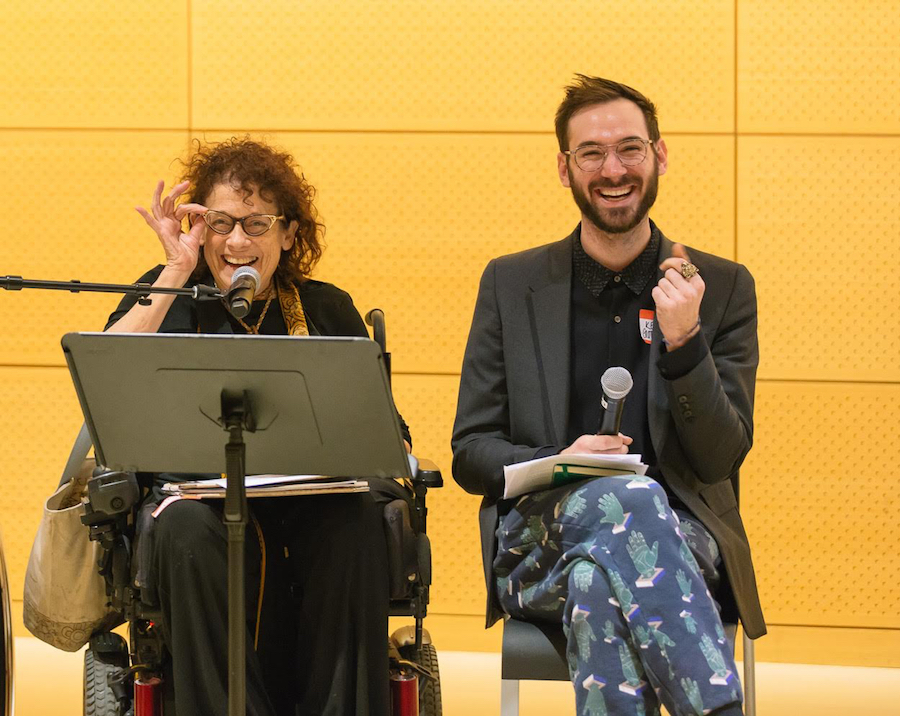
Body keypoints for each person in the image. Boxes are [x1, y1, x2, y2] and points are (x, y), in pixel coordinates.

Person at [451, 76, 764, 716]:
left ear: (660, 156)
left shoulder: (723, 287)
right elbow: (471, 452)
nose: (612, 169)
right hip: (538, 539)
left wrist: (686, 345)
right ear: (565, 168)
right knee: (627, 495)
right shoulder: (511, 284)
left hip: (681, 540)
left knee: (598, 583)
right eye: (591, 153)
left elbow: (719, 461)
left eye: (630, 148)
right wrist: (562, 458)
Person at [107, 137, 408, 716]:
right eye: (220, 223)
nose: (237, 241)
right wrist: (175, 269)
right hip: (197, 503)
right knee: (185, 533)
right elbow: (109, 378)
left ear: (288, 234)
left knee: (358, 526)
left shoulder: (323, 309)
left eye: (256, 224)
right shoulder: (168, 292)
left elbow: (386, 433)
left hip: (310, 499)